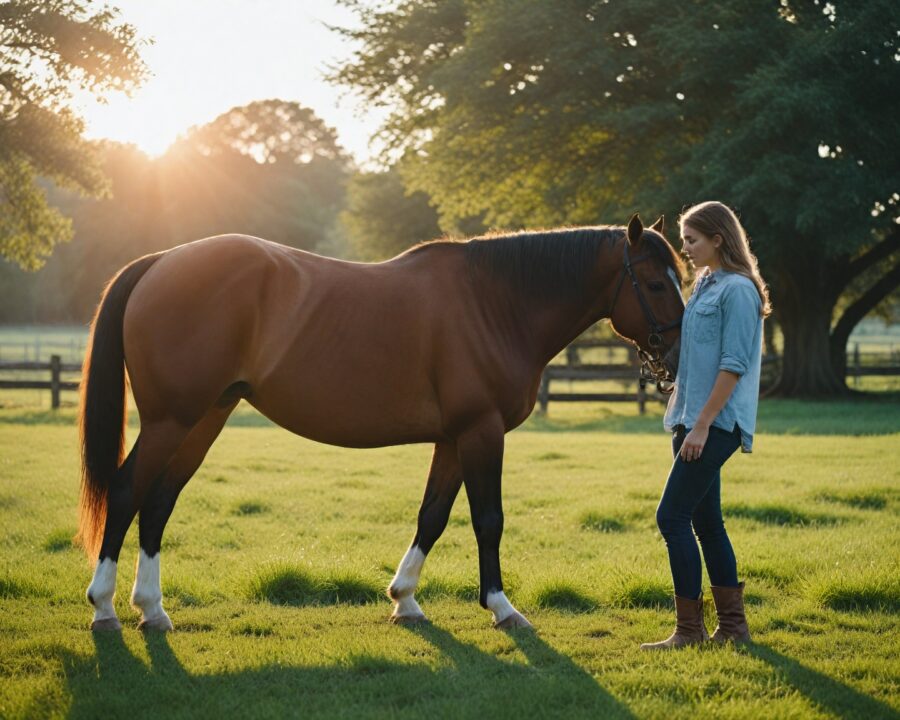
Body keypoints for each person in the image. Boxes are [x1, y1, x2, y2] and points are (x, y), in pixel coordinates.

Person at [641, 201, 771, 650]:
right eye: (684, 240)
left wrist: (701, 426)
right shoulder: (704, 284)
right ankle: (732, 629)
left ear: (718, 238)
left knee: (671, 517)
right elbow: (699, 353)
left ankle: (689, 631)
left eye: (692, 240)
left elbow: (733, 365)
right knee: (707, 522)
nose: (686, 248)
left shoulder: (738, 290)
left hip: (714, 423)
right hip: (688, 416)